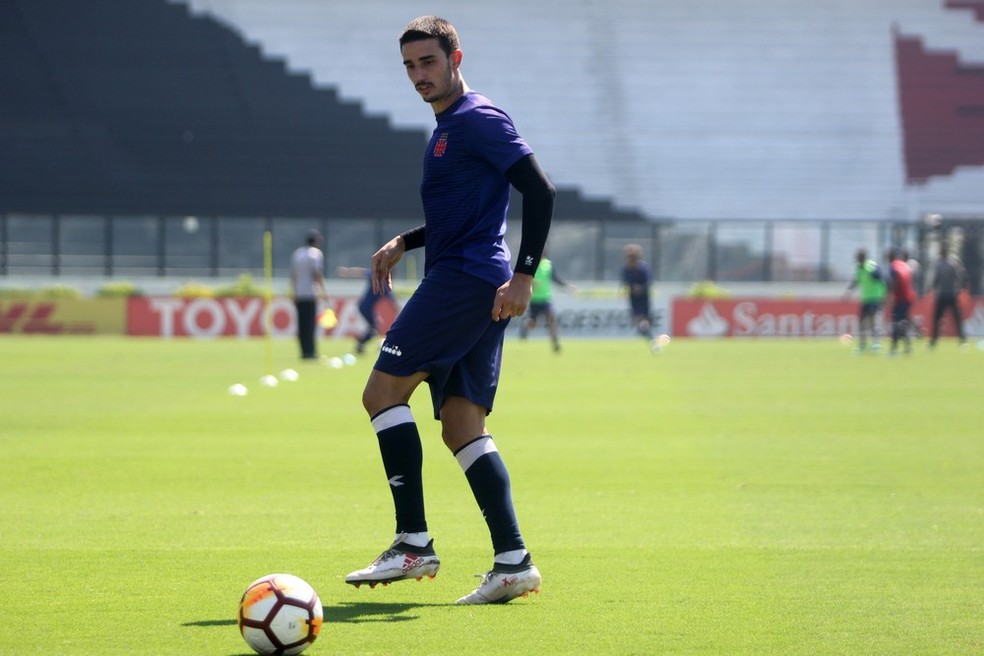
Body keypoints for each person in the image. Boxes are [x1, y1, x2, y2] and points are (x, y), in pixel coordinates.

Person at [344, 16, 555, 605]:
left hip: (465, 280)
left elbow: (539, 190)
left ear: (455, 56)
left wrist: (525, 276)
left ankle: (412, 544)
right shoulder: (447, 129)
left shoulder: (477, 119)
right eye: (409, 66)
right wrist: (407, 242)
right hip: (466, 276)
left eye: (428, 62)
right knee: (463, 426)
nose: (419, 75)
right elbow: (460, 213)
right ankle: (513, 562)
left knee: (380, 395)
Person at [336, 266, 398, 355]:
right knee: (374, 328)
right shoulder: (384, 285)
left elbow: (360, 271)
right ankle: (360, 344)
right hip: (366, 307)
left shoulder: (375, 276)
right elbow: (393, 301)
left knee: (374, 327)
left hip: (364, 306)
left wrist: (346, 271)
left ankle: (361, 344)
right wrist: (401, 312)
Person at [518, 254, 574, 352]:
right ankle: (524, 328)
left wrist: (567, 286)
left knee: (551, 319)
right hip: (534, 299)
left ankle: (555, 343)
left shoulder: (548, 265)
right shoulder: (531, 263)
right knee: (532, 323)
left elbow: (555, 279)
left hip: (546, 299)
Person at [289, 230, 328, 360]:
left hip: (299, 293)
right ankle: (310, 352)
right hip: (310, 293)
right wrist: (323, 291)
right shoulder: (315, 254)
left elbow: (293, 275)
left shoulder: (297, 254)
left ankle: (303, 351)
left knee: (301, 324)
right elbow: (317, 274)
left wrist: (293, 292)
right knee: (310, 324)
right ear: (315, 242)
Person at [843, 248, 887, 352]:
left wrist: (884, 295)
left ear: (863, 258)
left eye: (859, 258)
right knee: (862, 322)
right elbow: (857, 280)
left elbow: (882, 280)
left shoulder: (871, 267)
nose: (858, 260)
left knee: (872, 322)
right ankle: (862, 345)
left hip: (875, 298)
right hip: (865, 299)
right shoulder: (859, 268)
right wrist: (849, 290)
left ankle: (876, 344)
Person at [928, 243, 968, 348]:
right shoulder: (946, 263)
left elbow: (959, 276)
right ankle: (934, 341)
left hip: (948, 294)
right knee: (939, 319)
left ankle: (962, 340)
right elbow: (959, 277)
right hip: (944, 294)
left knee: (954, 318)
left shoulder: (949, 263)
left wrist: (959, 288)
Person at [886, 247, 917, 355]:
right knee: (902, 321)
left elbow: (894, 282)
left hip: (902, 298)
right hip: (909, 297)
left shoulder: (893, 267)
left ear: (889, 258)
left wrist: (889, 296)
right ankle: (907, 346)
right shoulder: (903, 264)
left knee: (896, 323)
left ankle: (894, 349)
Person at [621, 243, 654, 342]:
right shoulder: (625, 269)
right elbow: (625, 282)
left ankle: (649, 336)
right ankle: (647, 333)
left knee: (642, 318)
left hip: (643, 297)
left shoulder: (643, 269)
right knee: (637, 319)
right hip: (633, 298)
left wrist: (640, 288)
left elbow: (649, 282)